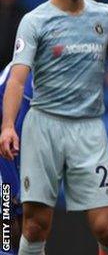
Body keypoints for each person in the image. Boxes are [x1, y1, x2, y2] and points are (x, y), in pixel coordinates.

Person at [0, 0, 108, 255]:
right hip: (42, 130)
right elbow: (17, 80)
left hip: (88, 130)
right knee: (33, 227)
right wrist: (7, 126)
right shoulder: (34, 22)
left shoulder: (107, 17)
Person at [0, 65, 32, 255]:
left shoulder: (60, 74)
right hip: (5, 161)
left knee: (30, 228)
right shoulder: (14, 71)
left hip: (31, 162)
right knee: (6, 223)